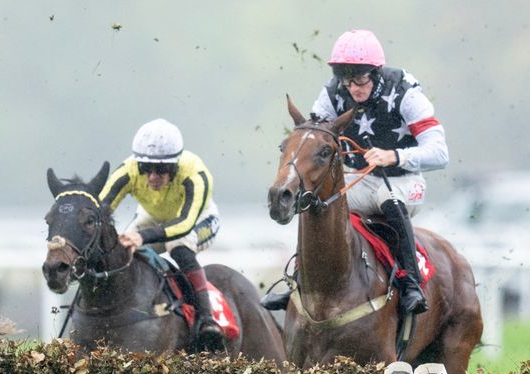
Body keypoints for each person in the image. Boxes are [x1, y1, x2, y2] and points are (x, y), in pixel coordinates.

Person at [262, 29, 447, 315]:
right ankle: (299, 279)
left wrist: (393, 156)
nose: (354, 89)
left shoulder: (405, 92)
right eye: (347, 81)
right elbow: (315, 134)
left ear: (376, 73)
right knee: (316, 199)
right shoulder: (333, 91)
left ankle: (411, 284)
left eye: (360, 80)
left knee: (389, 198)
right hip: (363, 180)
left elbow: (439, 153)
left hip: (405, 182)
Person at [98, 118, 225, 350]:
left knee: (178, 245)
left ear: (175, 166)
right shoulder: (128, 170)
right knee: (122, 248)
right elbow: (100, 209)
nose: (153, 177)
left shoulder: (196, 175)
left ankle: (207, 319)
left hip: (198, 219)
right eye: (146, 169)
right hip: (152, 216)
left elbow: (184, 223)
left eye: (162, 169)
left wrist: (143, 237)